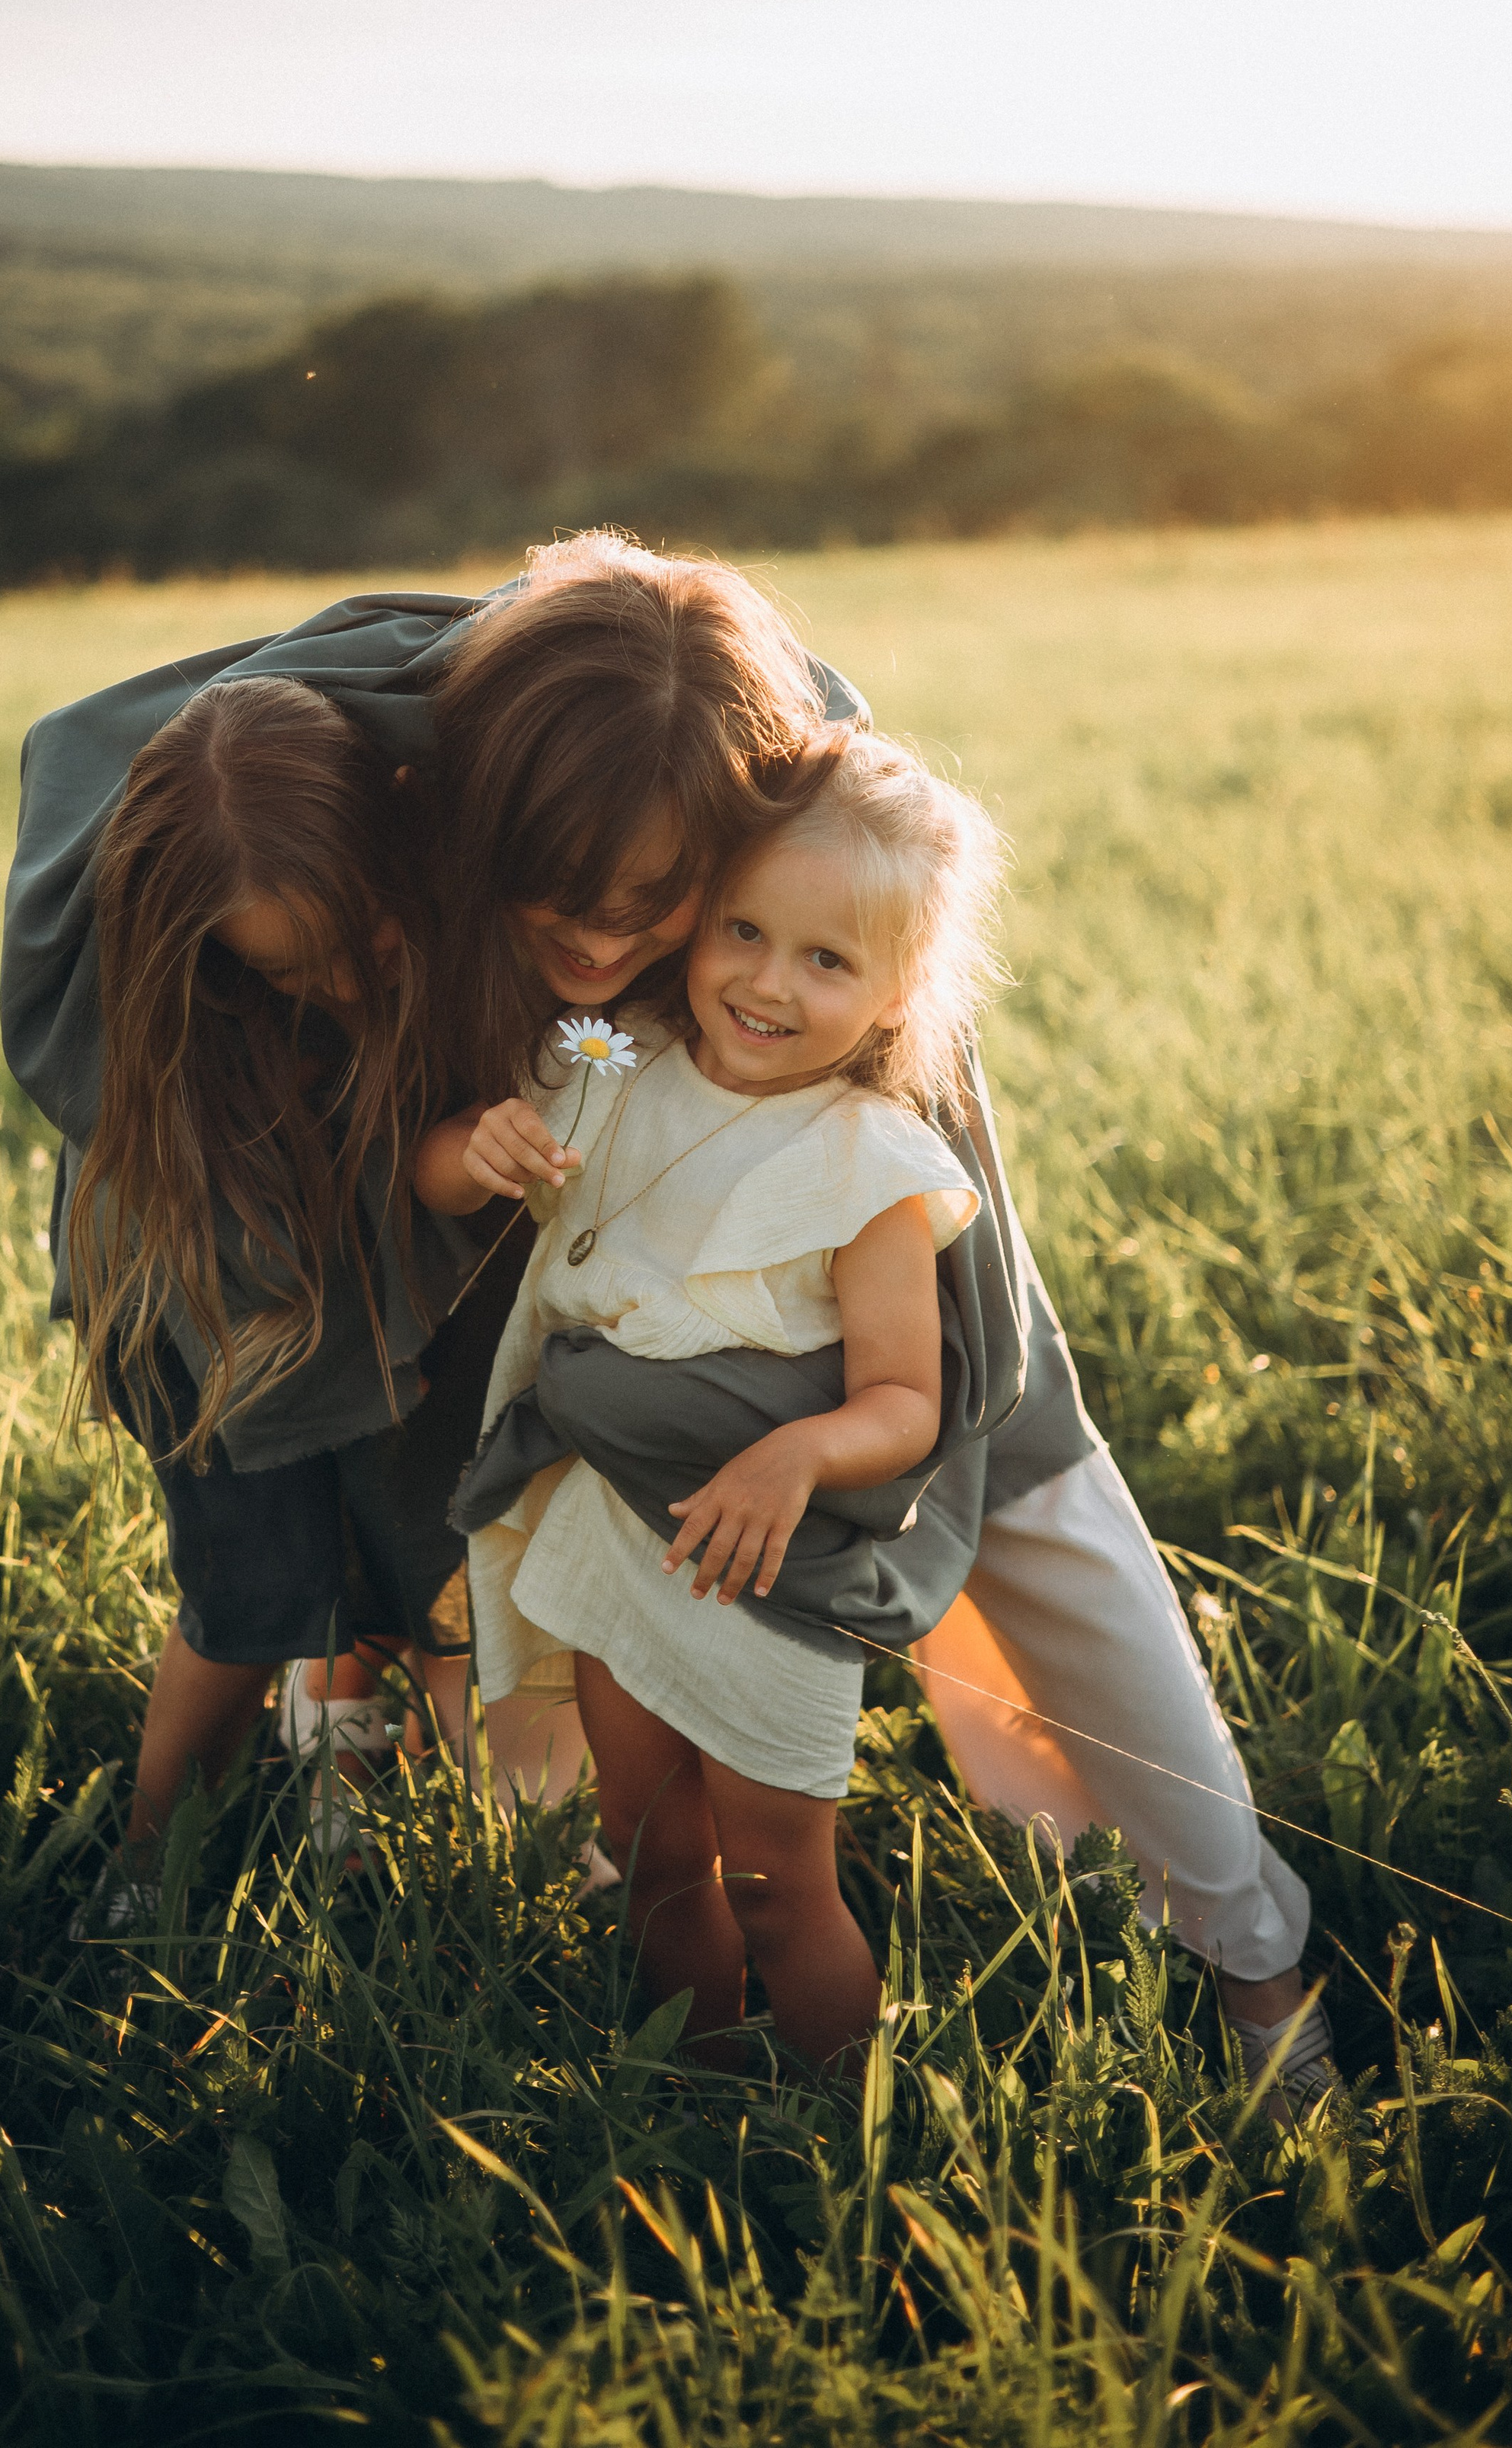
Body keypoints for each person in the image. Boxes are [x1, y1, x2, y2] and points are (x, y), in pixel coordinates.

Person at [5, 531, 1328, 2096]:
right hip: (504, 1238)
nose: (596, 944)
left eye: (655, 903)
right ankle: (500, 1844)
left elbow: (936, 1294)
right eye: (550, 902)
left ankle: (1253, 1962)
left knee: (1038, 1496)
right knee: (469, 1538)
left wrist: (887, 1382)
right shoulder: (376, 792)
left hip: (810, 1193)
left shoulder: (809, 837)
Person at [423, 733, 999, 2072]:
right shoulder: (612, 1060)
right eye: (742, 929)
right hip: (617, 1536)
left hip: (757, 1565)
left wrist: (800, 1453)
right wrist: (474, 1150)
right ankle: (707, 2083)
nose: (765, 983)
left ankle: (836, 2121)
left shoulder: (872, 1166)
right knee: (648, 1845)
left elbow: (905, 1401)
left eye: (827, 960)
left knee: (778, 1882)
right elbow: (442, 1165)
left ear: (903, 991)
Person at [5, 674, 479, 1890]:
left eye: (365, 941)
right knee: (252, 1597)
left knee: (424, 1565)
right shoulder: (172, 1037)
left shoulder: (431, 918)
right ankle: (152, 1864)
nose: (341, 981)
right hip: (207, 1332)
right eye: (292, 968)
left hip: (374, 1305)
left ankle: (389, 1825)